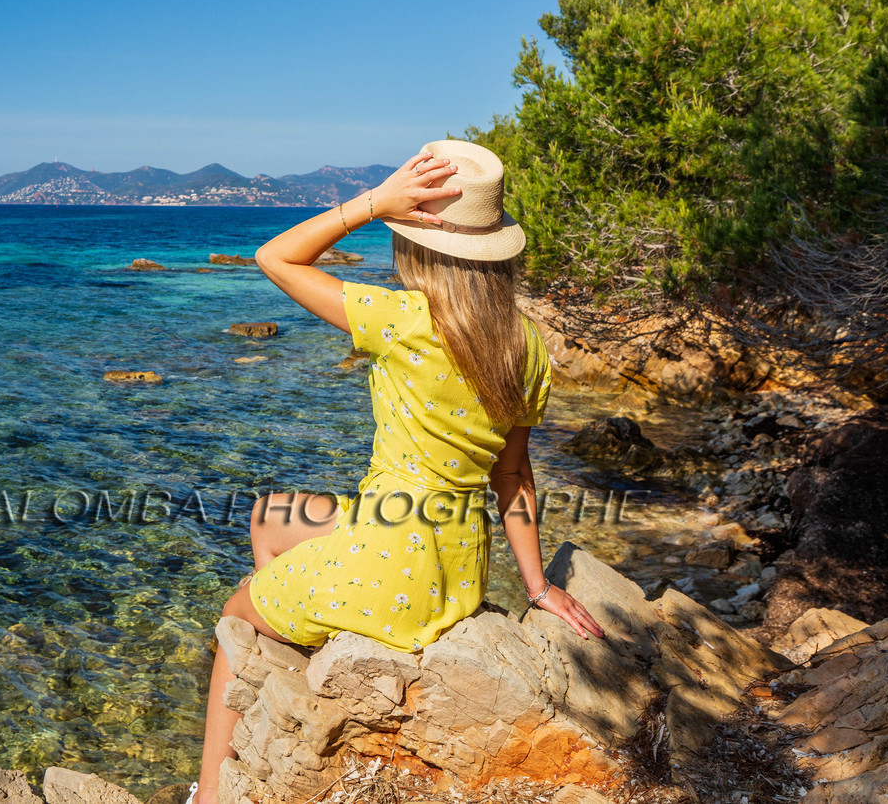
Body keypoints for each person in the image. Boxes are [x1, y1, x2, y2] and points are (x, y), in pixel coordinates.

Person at [188, 140, 606, 804]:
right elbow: (513, 477)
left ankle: (211, 792)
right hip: (453, 571)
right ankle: (307, 651)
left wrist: (372, 203)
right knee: (269, 515)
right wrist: (538, 587)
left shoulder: (402, 320)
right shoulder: (526, 345)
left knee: (236, 614)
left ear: (415, 244)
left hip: (387, 566)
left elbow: (274, 256)